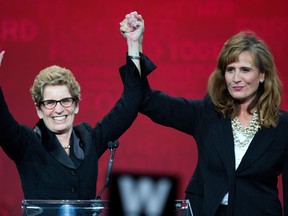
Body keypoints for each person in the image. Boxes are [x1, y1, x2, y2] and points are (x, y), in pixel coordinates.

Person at [120, 12, 288, 216]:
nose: (236, 78)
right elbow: (147, 100)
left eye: (245, 70)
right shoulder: (208, 114)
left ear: (262, 75)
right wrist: (134, 45)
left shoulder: (282, 126)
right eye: (230, 69)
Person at [0, 12, 147, 201]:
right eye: (50, 103)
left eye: (65, 101)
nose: (59, 109)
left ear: (76, 105)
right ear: (39, 109)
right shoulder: (27, 144)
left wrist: (134, 44)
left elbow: (130, 104)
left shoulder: (89, 140)